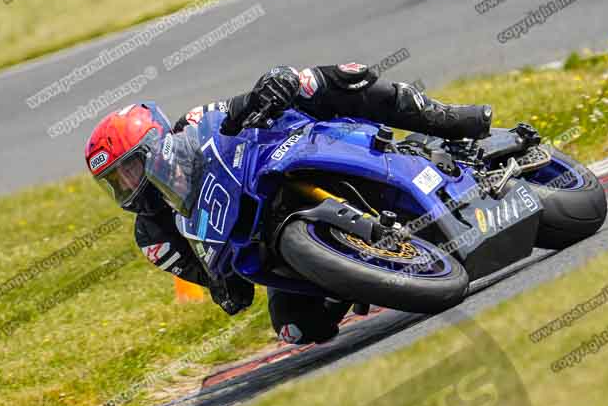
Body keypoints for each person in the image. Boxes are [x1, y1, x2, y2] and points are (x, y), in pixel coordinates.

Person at [85, 63, 492, 345]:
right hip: (267, 238)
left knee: (319, 81)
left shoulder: (191, 126)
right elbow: (223, 287)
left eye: (130, 168)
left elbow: (234, 109)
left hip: (280, 158)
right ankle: (359, 270)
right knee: (297, 329)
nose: (128, 184)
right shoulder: (154, 234)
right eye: (114, 182)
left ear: (156, 143)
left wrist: (273, 85)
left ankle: (448, 120)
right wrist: (221, 287)